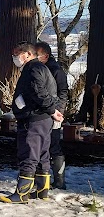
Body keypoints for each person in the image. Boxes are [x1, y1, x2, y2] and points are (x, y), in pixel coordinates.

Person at [0, 42, 63, 203]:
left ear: (27, 54)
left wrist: (51, 110)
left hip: (34, 118)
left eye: (16, 54)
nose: (14, 57)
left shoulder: (33, 69)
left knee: (29, 153)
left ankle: (21, 194)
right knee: (42, 154)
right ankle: (42, 191)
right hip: (42, 118)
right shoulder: (39, 68)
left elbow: (39, 91)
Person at [35, 41, 69, 190]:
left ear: (45, 56)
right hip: (40, 113)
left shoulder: (56, 70)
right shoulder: (38, 68)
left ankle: (59, 180)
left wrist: (58, 111)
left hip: (53, 113)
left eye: (37, 55)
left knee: (53, 146)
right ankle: (42, 178)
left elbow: (63, 92)